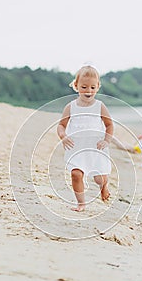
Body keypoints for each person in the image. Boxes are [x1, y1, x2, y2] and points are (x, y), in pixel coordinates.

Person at [57, 65, 114, 212]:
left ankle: (104, 186)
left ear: (98, 87)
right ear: (76, 86)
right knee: (76, 174)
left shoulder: (100, 106)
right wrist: (63, 136)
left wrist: (106, 140)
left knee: (98, 178)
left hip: (95, 149)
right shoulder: (70, 107)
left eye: (92, 87)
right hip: (77, 149)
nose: (88, 91)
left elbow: (109, 125)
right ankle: (81, 203)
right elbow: (61, 125)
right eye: (84, 87)